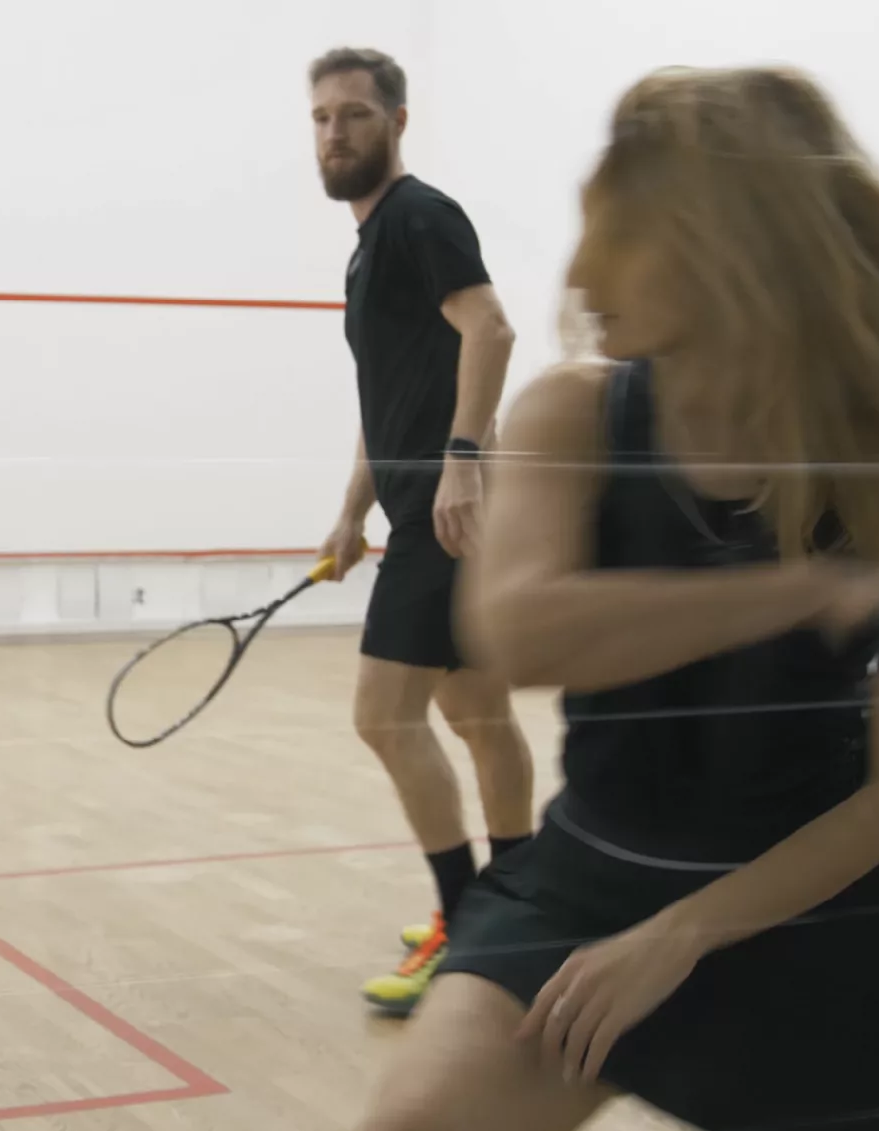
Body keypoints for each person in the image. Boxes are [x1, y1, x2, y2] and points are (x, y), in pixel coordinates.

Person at [332, 65, 879, 1131]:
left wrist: (681, 935)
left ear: (731, 247)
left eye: (617, 236)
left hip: (818, 889)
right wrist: (803, 591)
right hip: (593, 873)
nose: (579, 275)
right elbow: (523, 630)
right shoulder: (571, 412)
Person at [309, 47, 536, 1014]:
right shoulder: (369, 248)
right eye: (321, 118)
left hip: (451, 516)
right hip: (418, 512)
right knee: (476, 716)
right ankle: (523, 909)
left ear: (397, 122)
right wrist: (354, 507)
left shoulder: (420, 216)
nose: (334, 134)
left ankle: (471, 924)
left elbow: (491, 328)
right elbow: (387, 392)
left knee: (383, 716)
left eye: (354, 116)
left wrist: (463, 459)